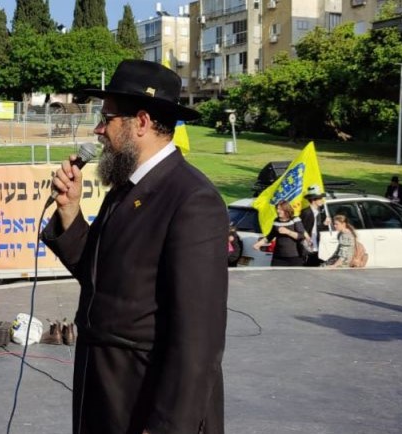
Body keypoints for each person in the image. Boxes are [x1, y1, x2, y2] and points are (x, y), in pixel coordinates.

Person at [41, 60, 228, 434]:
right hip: (105, 395)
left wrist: (166, 427)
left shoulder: (192, 199)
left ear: (141, 122)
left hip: (148, 403)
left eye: (107, 118)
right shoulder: (126, 190)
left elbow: (198, 340)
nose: (98, 130)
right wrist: (70, 211)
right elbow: (98, 275)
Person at [253, 200, 306, 266]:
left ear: (286, 209)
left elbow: (301, 236)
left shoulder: (295, 220)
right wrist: (258, 244)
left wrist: (288, 232)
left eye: (280, 209)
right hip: (278, 257)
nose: (278, 211)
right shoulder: (276, 221)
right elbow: (270, 236)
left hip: (294, 257)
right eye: (277, 209)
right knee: (275, 272)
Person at [300, 185, 331, 266]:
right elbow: (302, 229)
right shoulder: (307, 213)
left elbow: (317, 229)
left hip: (317, 247)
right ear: (313, 200)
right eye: (319, 198)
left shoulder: (319, 212)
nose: (322, 200)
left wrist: (324, 224)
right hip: (308, 248)